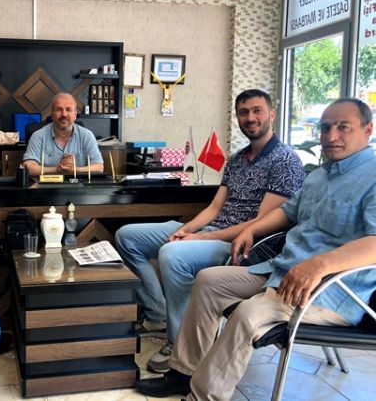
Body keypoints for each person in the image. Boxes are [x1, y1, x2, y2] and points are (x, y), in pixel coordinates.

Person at [136, 97, 376, 400]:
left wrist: (320, 265)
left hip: (327, 291)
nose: (331, 136)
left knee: (249, 314)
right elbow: (287, 212)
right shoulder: (320, 175)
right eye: (326, 127)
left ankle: (202, 396)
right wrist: (250, 230)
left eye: (343, 127)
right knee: (209, 281)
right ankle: (183, 372)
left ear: (368, 129)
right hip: (282, 272)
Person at [115, 89, 305, 373]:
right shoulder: (237, 159)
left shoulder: (285, 161)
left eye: (257, 111)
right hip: (210, 230)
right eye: (243, 112)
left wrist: (198, 238)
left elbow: (261, 223)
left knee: (173, 254)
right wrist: (187, 230)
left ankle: (180, 343)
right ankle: (158, 313)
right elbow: (215, 207)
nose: (250, 118)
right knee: (127, 236)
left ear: (272, 114)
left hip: (243, 245)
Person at [22, 92, 103, 176]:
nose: (64, 114)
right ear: (52, 114)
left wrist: (76, 170)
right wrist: (57, 169)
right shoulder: (38, 136)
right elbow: (28, 167)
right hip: (47, 184)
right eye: (59, 109)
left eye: (68, 109)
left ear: (75, 115)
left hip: (78, 184)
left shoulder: (87, 136)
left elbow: (99, 167)